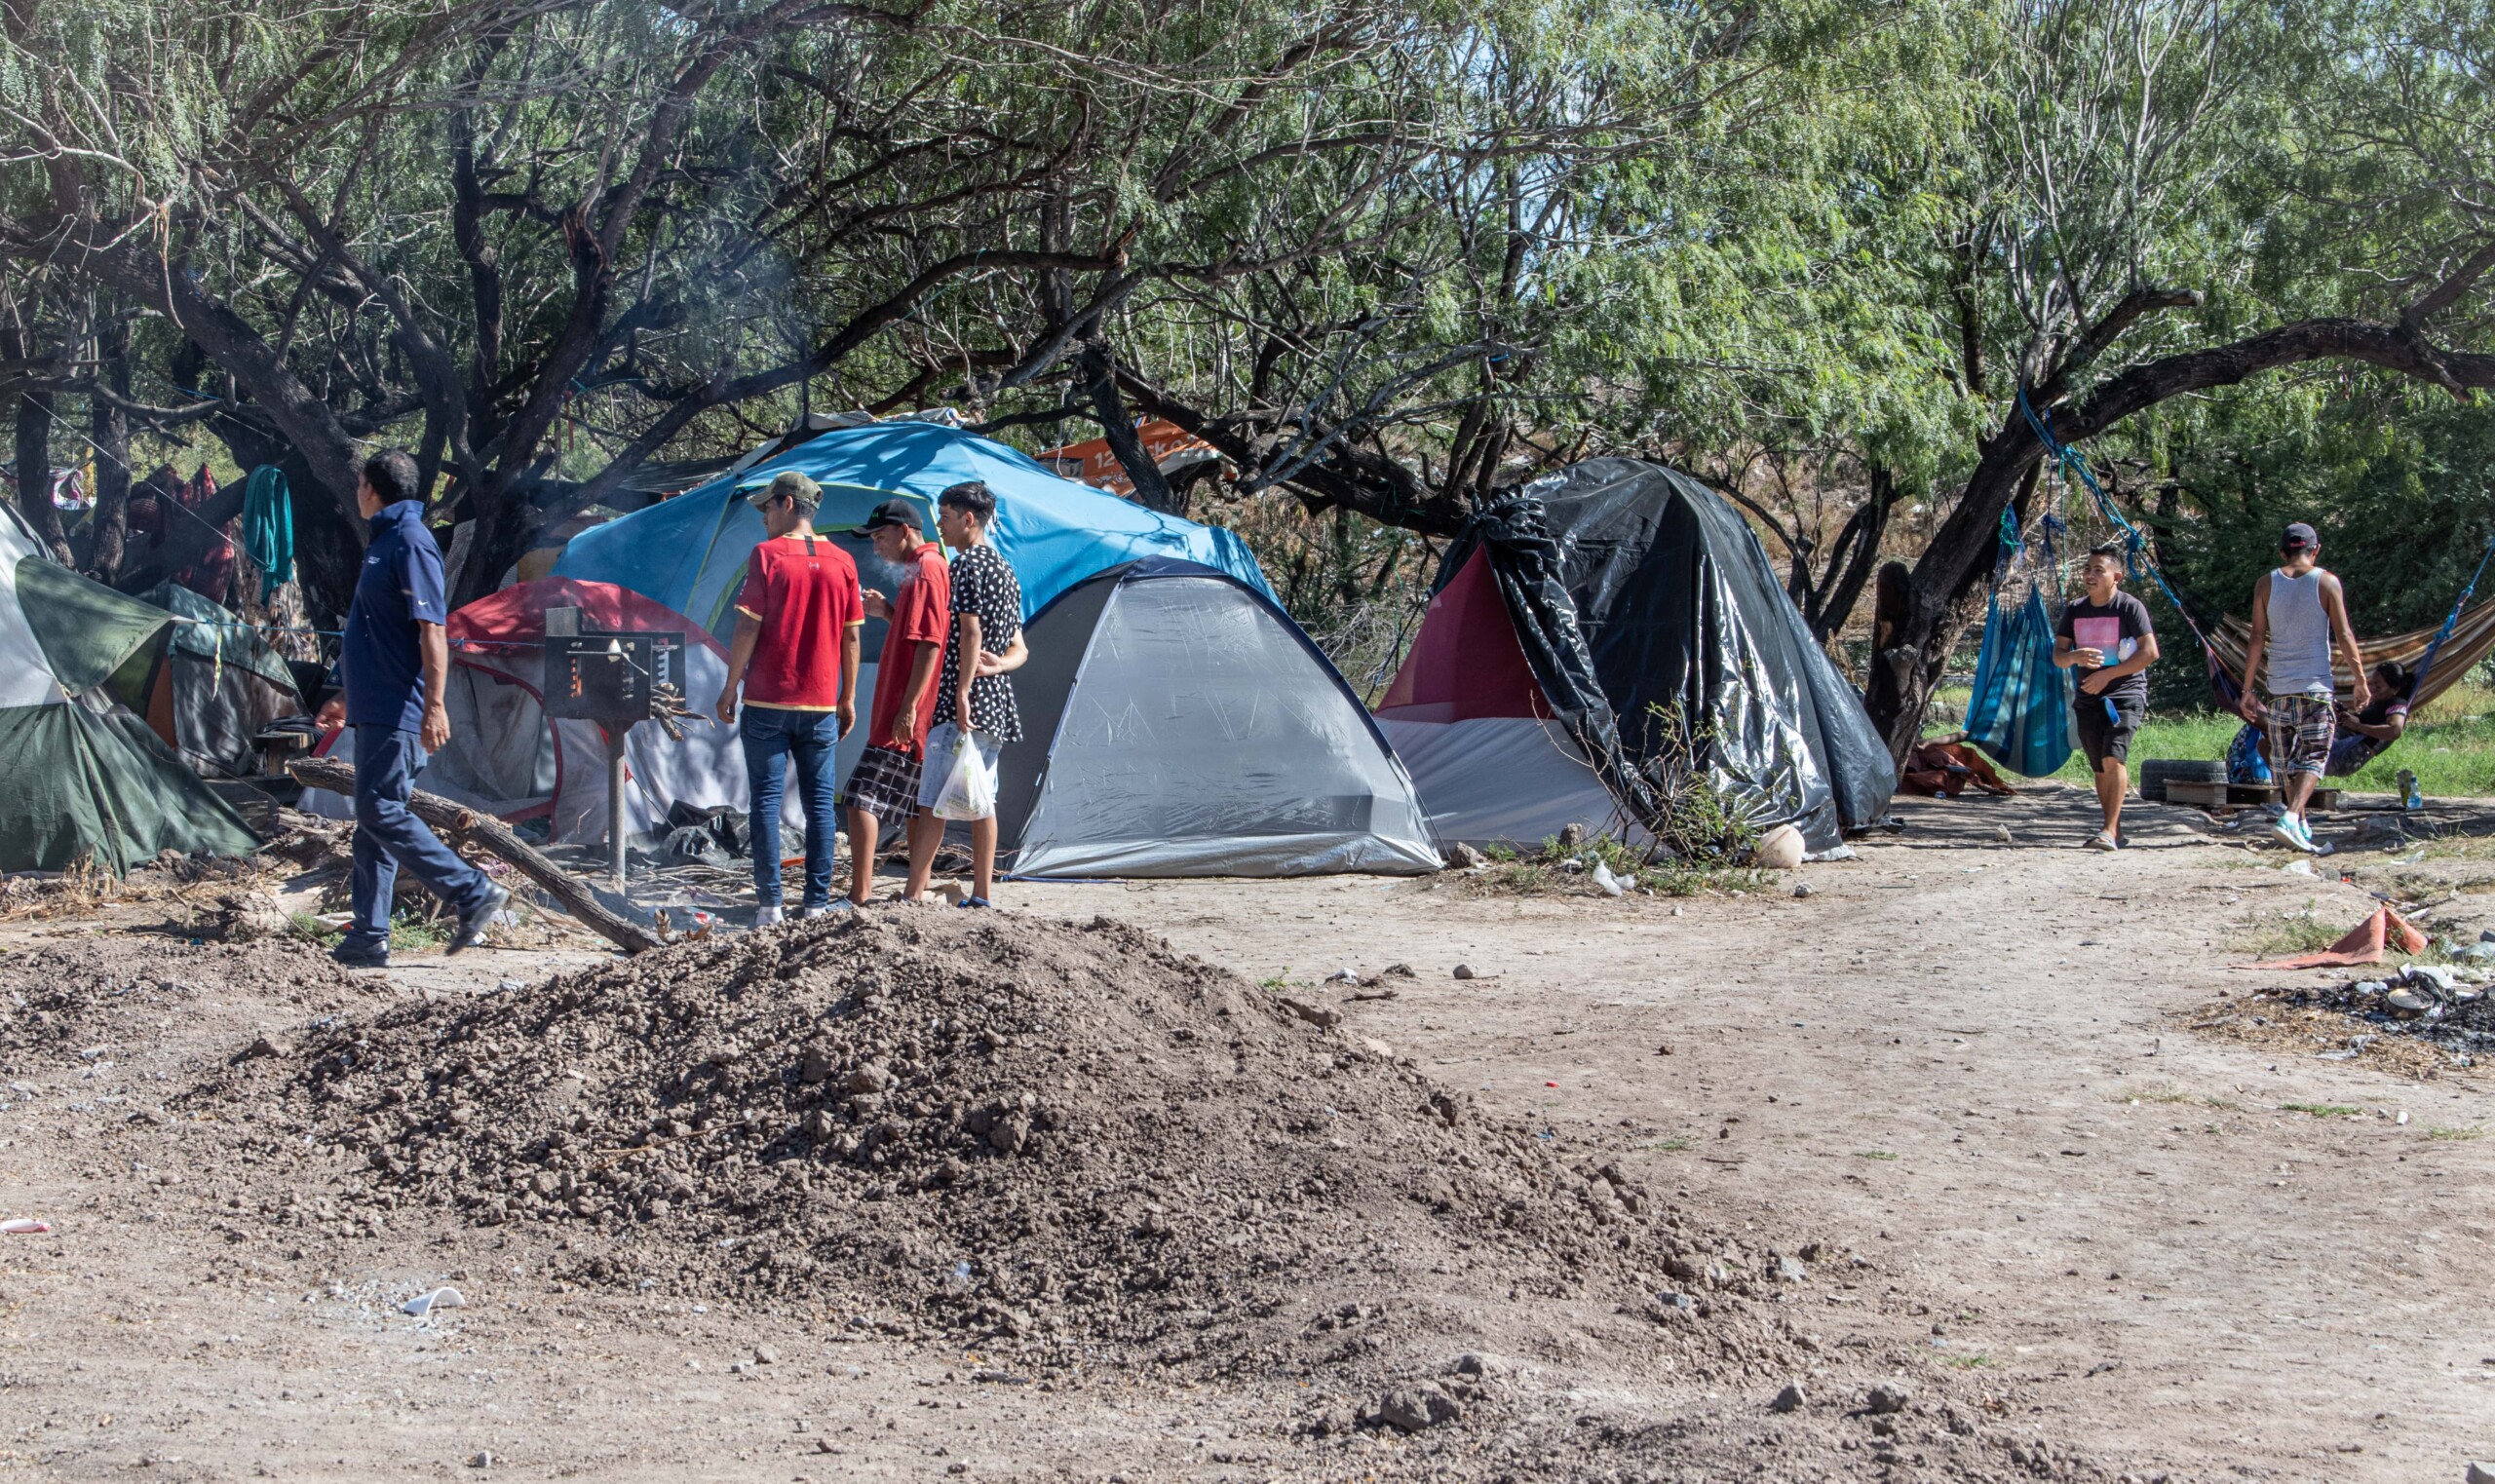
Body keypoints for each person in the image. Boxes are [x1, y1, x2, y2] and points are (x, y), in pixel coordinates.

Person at [334, 449, 508, 969]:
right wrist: (342, 696)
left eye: (359, 484)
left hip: (398, 705)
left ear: (370, 488)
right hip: (374, 704)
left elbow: (433, 629)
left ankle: (472, 890)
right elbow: (376, 631)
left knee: (379, 809)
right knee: (374, 822)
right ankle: (369, 935)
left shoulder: (411, 540)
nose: (357, 493)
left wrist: (435, 705)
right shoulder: (385, 541)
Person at [714, 472, 863, 925]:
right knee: (820, 806)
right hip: (821, 705)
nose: (764, 518)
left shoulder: (768, 555)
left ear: (788, 504)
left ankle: (771, 906)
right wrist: (848, 697)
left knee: (766, 801)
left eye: (767, 508)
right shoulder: (843, 561)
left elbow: (747, 625)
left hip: (768, 701)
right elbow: (852, 636)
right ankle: (816, 904)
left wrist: (731, 685)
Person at [904, 481, 1022, 908]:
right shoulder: (1006, 569)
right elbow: (1020, 646)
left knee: (933, 800)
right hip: (997, 703)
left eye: (946, 516)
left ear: (968, 519)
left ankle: (913, 893)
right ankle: (982, 894)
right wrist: (998, 666)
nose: (940, 525)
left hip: (965, 703)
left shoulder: (967, 564)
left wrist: (963, 690)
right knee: (982, 800)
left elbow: (970, 631)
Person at [842, 499, 950, 906]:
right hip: (909, 711)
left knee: (860, 796)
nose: (876, 546)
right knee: (918, 805)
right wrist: (888, 612)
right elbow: (919, 635)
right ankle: (914, 893)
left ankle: (860, 894)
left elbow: (930, 644)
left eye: (880, 536)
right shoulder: (920, 569)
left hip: (906, 715)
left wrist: (909, 707)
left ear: (904, 531)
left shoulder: (927, 569)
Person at [2238, 521, 2368, 853]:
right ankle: (2292, 817)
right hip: (2315, 689)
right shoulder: (2326, 582)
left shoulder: (2265, 583)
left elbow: (2256, 638)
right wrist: (2360, 680)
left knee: (2283, 762)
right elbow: (2344, 635)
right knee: (2313, 755)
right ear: (2316, 550)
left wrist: (2247, 690)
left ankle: (2300, 825)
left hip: (2279, 689)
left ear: (2282, 552)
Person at [2053, 543, 2160, 851]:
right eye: (2087, 569)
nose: (2090, 575)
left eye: (2098, 570)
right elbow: (2058, 656)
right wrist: (2074, 657)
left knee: (2114, 756)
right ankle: (2115, 829)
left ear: (2117, 576)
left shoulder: (2130, 607)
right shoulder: (2075, 609)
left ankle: (2108, 830)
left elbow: (2149, 653)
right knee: (2100, 766)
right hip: (2088, 698)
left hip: (2125, 695)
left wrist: (2107, 675)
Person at [2326, 659, 2413, 777]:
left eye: (2378, 686)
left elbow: (2395, 730)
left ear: (2395, 689)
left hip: (2348, 755)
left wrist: (2357, 726)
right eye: (2371, 683)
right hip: (2342, 745)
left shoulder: (2397, 703)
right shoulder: (2378, 702)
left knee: (2306, 757)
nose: (2372, 689)